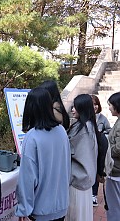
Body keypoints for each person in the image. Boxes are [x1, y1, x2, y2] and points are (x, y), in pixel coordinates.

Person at [15, 87, 71, 221]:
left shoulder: (32, 136)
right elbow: (67, 168)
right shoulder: (62, 131)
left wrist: (23, 208)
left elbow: (27, 178)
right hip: (61, 205)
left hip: (40, 209)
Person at [65, 94, 99, 221]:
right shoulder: (88, 125)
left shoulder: (82, 129)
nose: (72, 109)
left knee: (75, 216)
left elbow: (68, 150)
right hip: (85, 180)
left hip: (77, 180)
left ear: (83, 108)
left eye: (75, 107)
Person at [90, 94, 111, 206]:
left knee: (97, 171)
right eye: (92, 104)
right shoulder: (85, 117)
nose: (94, 107)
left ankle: (94, 195)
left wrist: (101, 135)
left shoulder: (102, 118)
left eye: (96, 104)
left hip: (99, 151)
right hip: (88, 150)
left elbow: (109, 130)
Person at [106, 92, 120, 221]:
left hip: (116, 171)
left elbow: (119, 148)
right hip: (115, 170)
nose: (109, 108)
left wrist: (108, 149)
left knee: (115, 205)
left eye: (110, 105)